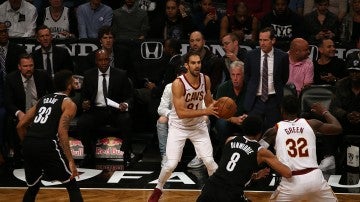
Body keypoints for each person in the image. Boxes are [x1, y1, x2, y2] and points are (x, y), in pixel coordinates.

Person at [148, 52, 219, 202]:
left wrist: (225, 110)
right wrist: (206, 110)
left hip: (198, 126)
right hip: (178, 126)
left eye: (199, 62)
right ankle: (158, 189)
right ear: (186, 65)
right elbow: (181, 113)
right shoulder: (178, 84)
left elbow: (209, 101)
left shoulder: (205, 79)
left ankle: (221, 192)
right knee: (170, 165)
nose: (197, 65)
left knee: (210, 162)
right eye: (193, 63)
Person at [16, 70, 83, 202]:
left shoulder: (43, 99)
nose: (76, 83)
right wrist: (70, 161)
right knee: (72, 184)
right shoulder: (68, 103)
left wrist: (27, 144)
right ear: (69, 85)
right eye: (73, 80)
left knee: (33, 187)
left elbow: (20, 126)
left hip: (29, 144)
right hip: (47, 144)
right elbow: (62, 132)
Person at [259, 95, 341, 201]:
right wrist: (325, 111)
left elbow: (257, 151)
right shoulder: (312, 123)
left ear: (281, 110)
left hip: (291, 182)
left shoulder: (274, 131)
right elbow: (338, 128)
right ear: (299, 110)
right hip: (315, 179)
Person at [197, 116, 292, 202]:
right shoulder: (261, 152)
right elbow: (287, 173)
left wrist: (255, 175)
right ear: (259, 133)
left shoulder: (230, 140)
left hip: (209, 188)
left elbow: (232, 170)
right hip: (230, 194)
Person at [77, 49, 133, 167]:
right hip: (96, 110)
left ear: (110, 60)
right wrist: (84, 103)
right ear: (96, 61)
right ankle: (88, 154)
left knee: (126, 119)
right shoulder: (88, 75)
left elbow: (130, 96)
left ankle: (126, 153)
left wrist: (125, 104)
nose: (103, 62)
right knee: (82, 122)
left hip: (116, 110)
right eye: (100, 60)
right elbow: (83, 97)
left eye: (106, 59)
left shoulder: (121, 74)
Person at [5, 53, 53, 168]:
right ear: (19, 67)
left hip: (41, 112)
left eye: (31, 65)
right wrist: (19, 113)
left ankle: (47, 159)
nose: (29, 69)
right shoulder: (11, 78)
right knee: (13, 123)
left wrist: (45, 105)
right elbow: (8, 102)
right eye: (25, 66)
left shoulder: (42, 75)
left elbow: (53, 94)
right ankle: (19, 158)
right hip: (21, 112)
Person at [244, 27, 289, 131]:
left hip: (274, 100)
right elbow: (247, 76)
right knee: (253, 132)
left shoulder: (282, 56)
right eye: (260, 40)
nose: (262, 43)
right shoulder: (251, 55)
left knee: (274, 132)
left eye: (265, 40)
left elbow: (284, 77)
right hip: (255, 101)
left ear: (273, 40)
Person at [156, 65, 188, 167]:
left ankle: (200, 157)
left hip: (191, 119)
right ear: (177, 77)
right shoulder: (169, 87)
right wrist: (172, 114)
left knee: (205, 118)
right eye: (180, 78)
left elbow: (204, 108)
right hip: (174, 119)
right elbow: (161, 109)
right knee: (162, 120)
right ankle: (165, 155)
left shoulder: (196, 87)